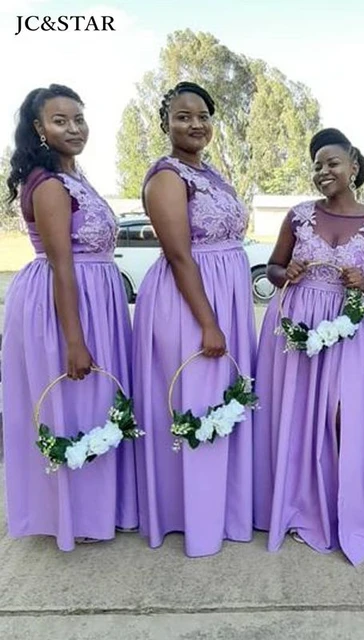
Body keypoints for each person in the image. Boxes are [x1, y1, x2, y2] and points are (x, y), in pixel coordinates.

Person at [2, 84, 138, 549]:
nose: (74, 128)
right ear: (39, 129)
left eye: (79, 118)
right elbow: (63, 265)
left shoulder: (77, 176)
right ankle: (73, 515)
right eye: (61, 121)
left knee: (98, 402)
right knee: (75, 401)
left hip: (96, 297)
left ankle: (99, 507)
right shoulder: (50, 185)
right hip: (66, 300)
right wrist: (74, 341)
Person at [253, 128, 364, 565]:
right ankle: (297, 503)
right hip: (296, 322)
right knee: (295, 412)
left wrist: (363, 282)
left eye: (332, 163)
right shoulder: (298, 216)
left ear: (353, 164)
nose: (324, 172)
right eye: (317, 165)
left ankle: (343, 506)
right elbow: (272, 269)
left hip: (348, 328)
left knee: (343, 415)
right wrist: (287, 271)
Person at [132, 82, 256, 557]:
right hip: (190, 300)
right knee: (197, 399)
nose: (195, 124)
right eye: (183, 116)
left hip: (225, 294)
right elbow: (180, 255)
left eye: (202, 115)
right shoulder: (166, 176)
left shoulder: (214, 175)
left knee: (224, 398)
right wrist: (208, 322)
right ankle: (191, 516)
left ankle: (224, 508)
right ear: (165, 122)